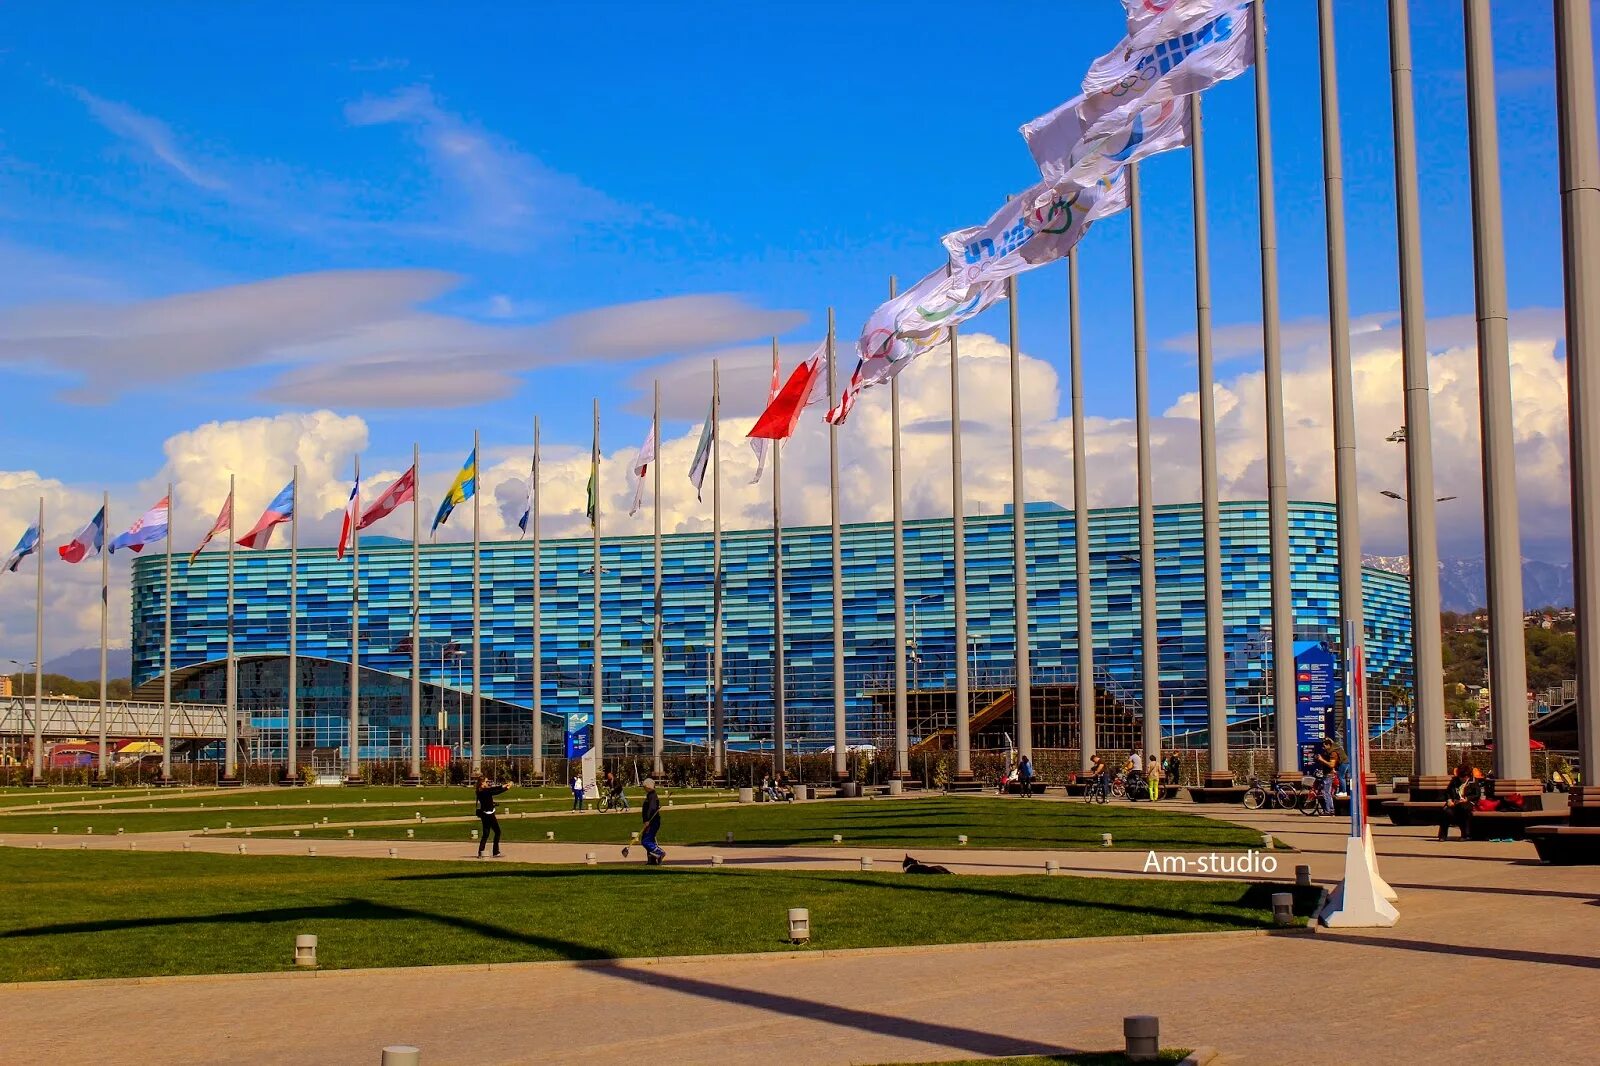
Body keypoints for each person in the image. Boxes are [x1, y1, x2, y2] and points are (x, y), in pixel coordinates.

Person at [1439, 763, 1481, 841]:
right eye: (1460, 777)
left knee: (1463, 809)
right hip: (1455, 802)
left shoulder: (1474, 781)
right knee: (1446, 811)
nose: (1462, 779)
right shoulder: (1455, 781)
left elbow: (1477, 794)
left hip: (1468, 803)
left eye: (1464, 777)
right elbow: (1448, 792)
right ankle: (1442, 835)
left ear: (1468, 776)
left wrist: (1467, 799)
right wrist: (1449, 800)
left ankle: (1465, 835)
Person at [475, 774, 508, 858]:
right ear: (482, 783)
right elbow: (494, 791)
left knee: (486, 834)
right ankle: (495, 852)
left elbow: (492, 790)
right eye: (486, 782)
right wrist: (506, 788)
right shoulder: (484, 791)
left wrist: (502, 786)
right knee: (497, 832)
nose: (488, 783)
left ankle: (480, 852)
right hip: (489, 814)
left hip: (484, 814)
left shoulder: (479, 791)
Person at [639, 777, 667, 864]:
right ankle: (652, 860)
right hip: (650, 822)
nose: (644, 788)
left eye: (644, 787)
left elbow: (652, 809)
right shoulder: (650, 795)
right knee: (648, 840)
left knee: (646, 841)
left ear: (648, 786)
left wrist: (647, 820)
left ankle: (660, 852)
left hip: (652, 822)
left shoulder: (652, 796)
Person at [1313, 739, 1339, 815]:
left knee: (1326, 792)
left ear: (1329, 745)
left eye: (1324, 745)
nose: (1323, 747)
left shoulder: (1333, 753)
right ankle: (1331, 810)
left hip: (1328, 775)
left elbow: (1331, 765)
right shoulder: (1328, 753)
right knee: (1327, 793)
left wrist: (1321, 759)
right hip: (1327, 774)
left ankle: (1328, 810)